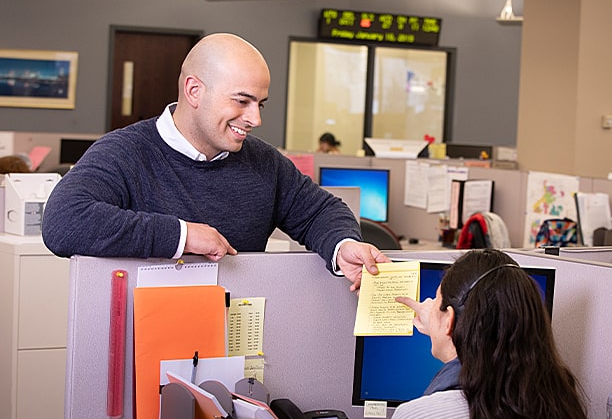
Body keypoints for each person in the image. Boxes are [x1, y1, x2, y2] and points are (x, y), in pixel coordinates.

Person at [41, 33, 388, 291]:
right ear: (194, 91)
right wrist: (183, 235)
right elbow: (64, 220)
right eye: (242, 101)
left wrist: (342, 246)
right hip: (140, 346)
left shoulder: (263, 163)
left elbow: (319, 212)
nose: (254, 119)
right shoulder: (125, 152)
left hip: (240, 345)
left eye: (260, 104)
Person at [371, 249, 604, 419]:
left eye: (436, 301)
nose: (430, 306)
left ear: (449, 320)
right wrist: (438, 324)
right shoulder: (559, 408)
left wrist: (444, 329)